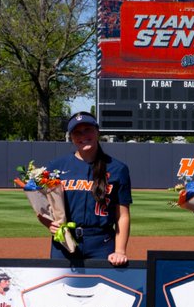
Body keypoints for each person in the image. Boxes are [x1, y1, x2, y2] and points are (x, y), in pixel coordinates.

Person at [42, 112, 131, 266]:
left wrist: (120, 251)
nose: (83, 135)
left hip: (102, 243)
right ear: (71, 137)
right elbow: (42, 208)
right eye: (77, 132)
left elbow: (122, 215)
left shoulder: (117, 169)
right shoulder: (56, 167)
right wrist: (49, 223)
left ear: (97, 131)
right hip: (64, 241)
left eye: (88, 129)